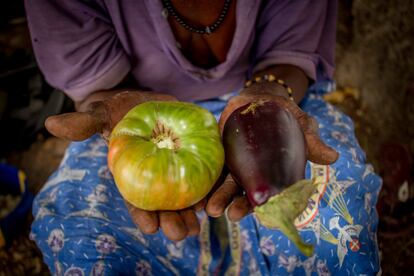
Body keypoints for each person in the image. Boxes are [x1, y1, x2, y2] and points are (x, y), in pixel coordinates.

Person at [25, 0, 382, 275]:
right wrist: (105, 106)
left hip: (267, 94)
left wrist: (269, 98)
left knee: (337, 214)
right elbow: (94, 85)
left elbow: (290, 54)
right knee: (82, 232)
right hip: (129, 115)